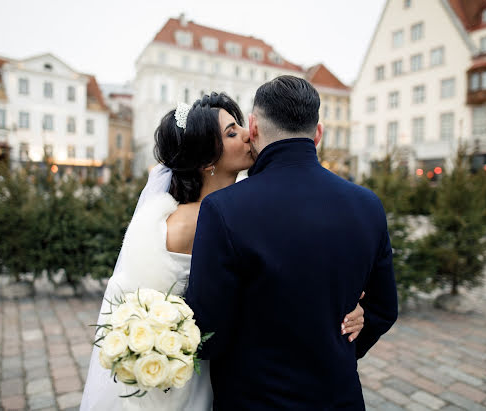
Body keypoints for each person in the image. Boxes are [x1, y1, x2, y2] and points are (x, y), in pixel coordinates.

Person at [80, 92, 366, 410]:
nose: (248, 134)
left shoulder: (221, 209)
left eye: (241, 125)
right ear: (207, 160)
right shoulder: (197, 220)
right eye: (232, 133)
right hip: (195, 370)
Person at [185, 77, 398, 410]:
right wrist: (341, 347)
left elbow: (207, 334)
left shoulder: (224, 209)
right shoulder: (367, 204)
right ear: (318, 133)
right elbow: (384, 309)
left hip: (253, 400)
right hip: (338, 398)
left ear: (253, 127)